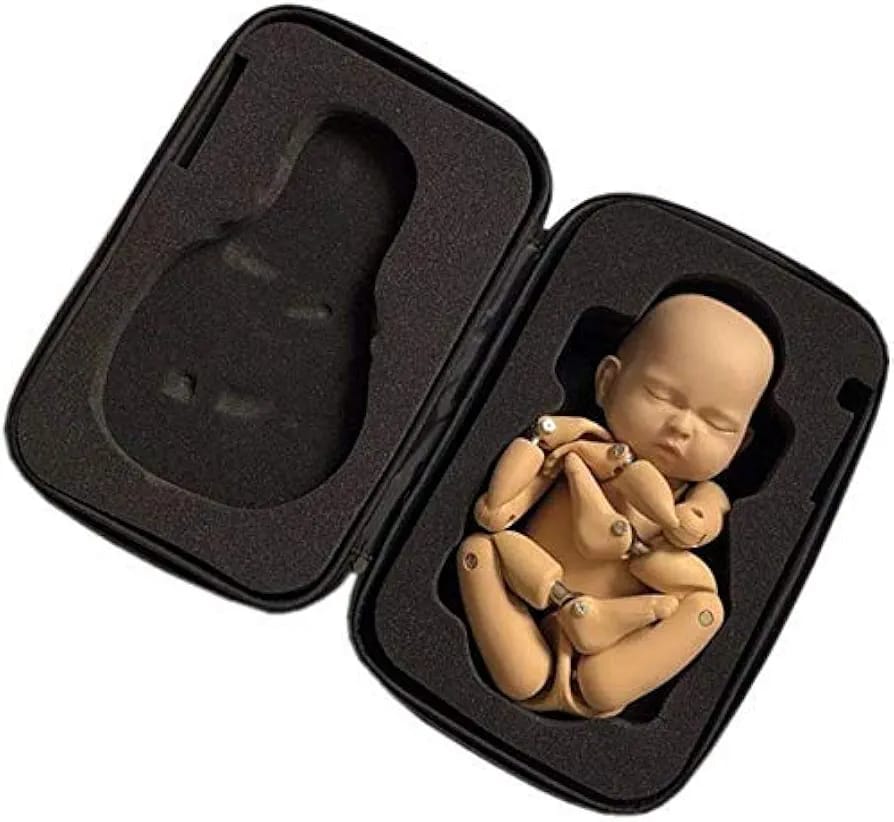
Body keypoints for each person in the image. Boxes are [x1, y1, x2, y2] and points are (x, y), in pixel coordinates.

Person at [457, 293, 775, 717]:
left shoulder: (700, 493)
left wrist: (693, 520)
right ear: (607, 381)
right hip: (526, 587)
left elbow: (709, 515)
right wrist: (511, 488)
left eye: (717, 424)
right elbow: (506, 504)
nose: (682, 427)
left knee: (705, 608)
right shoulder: (584, 446)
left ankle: (606, 680)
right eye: (661, 395)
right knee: (480, 551)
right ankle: (529, 669)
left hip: (616, 638)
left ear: (741, 443)